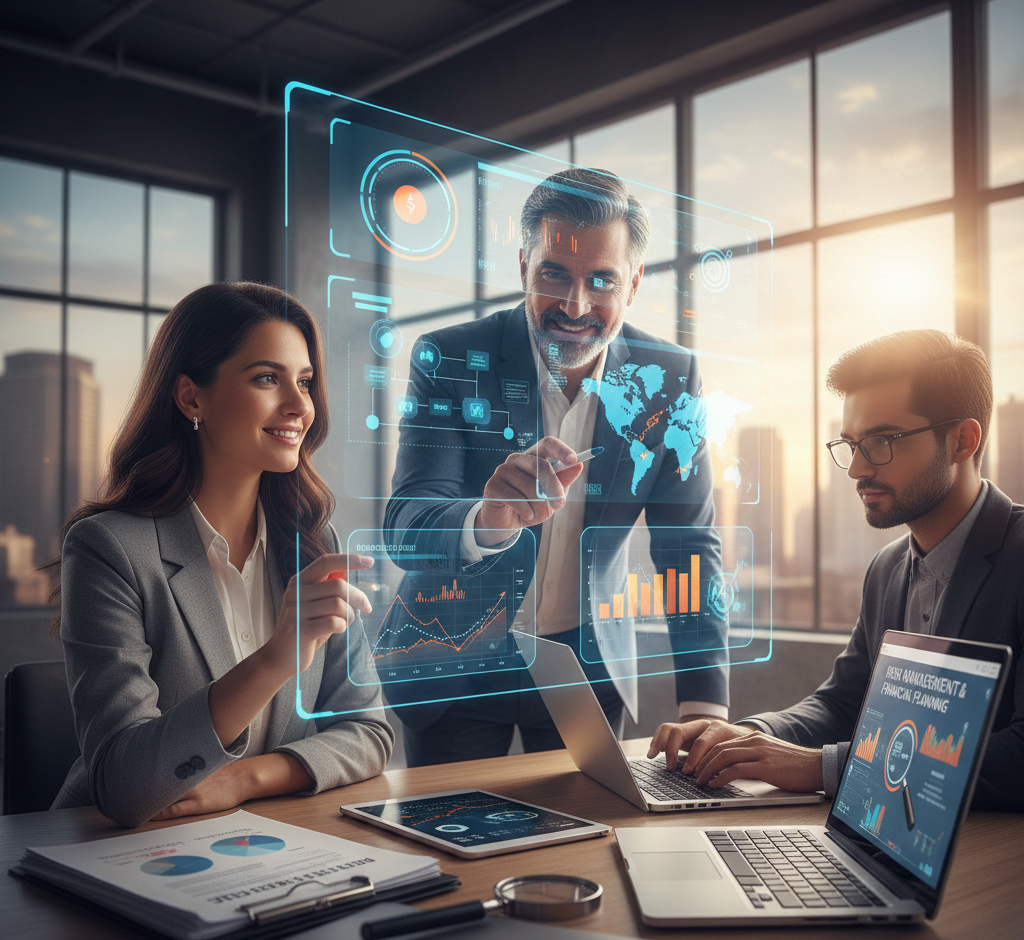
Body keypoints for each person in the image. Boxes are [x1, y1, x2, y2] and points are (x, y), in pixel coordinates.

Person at [382, 168, 730, 766]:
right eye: (555, 274)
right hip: (454, 663)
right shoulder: (451, 357)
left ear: (633, 284)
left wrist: (705, 704)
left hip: (586, 670)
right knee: (451, 826)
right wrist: (487, 519)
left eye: (602, 280)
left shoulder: (670, 379)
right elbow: (407, 523)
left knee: (589, 826)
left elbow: (688, 544)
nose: (576, 305)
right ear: (524, 267)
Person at [50, 282, 394, 827]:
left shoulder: (311, 543)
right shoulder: (109, 548)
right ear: (192, 398)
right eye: (267, 378)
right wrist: (275, 660)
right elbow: (123, 787)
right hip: (116, 847)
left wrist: (245, 779)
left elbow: (370, 732)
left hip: (268, 839)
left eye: (305, 381)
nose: (300, 406)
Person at [647, 329, 1024, 811]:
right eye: (851, 444)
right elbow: (844, 704)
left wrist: (818, 767)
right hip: (888, 832)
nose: (857, 470)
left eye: (882, 441)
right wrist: (748, 736)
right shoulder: (887, 568)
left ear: (962, 441)